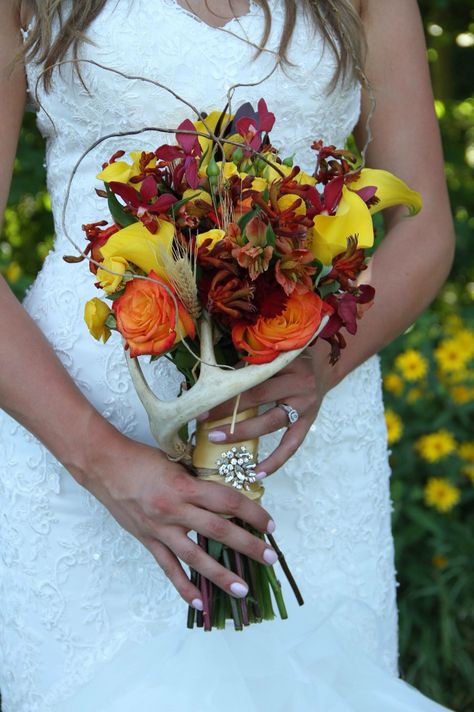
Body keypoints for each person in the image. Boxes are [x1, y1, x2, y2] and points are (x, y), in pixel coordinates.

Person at [0, 1, 455, 711]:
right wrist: (101, 460)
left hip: (300, 446)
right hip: (76, 443)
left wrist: (318, 369)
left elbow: (425, 230)